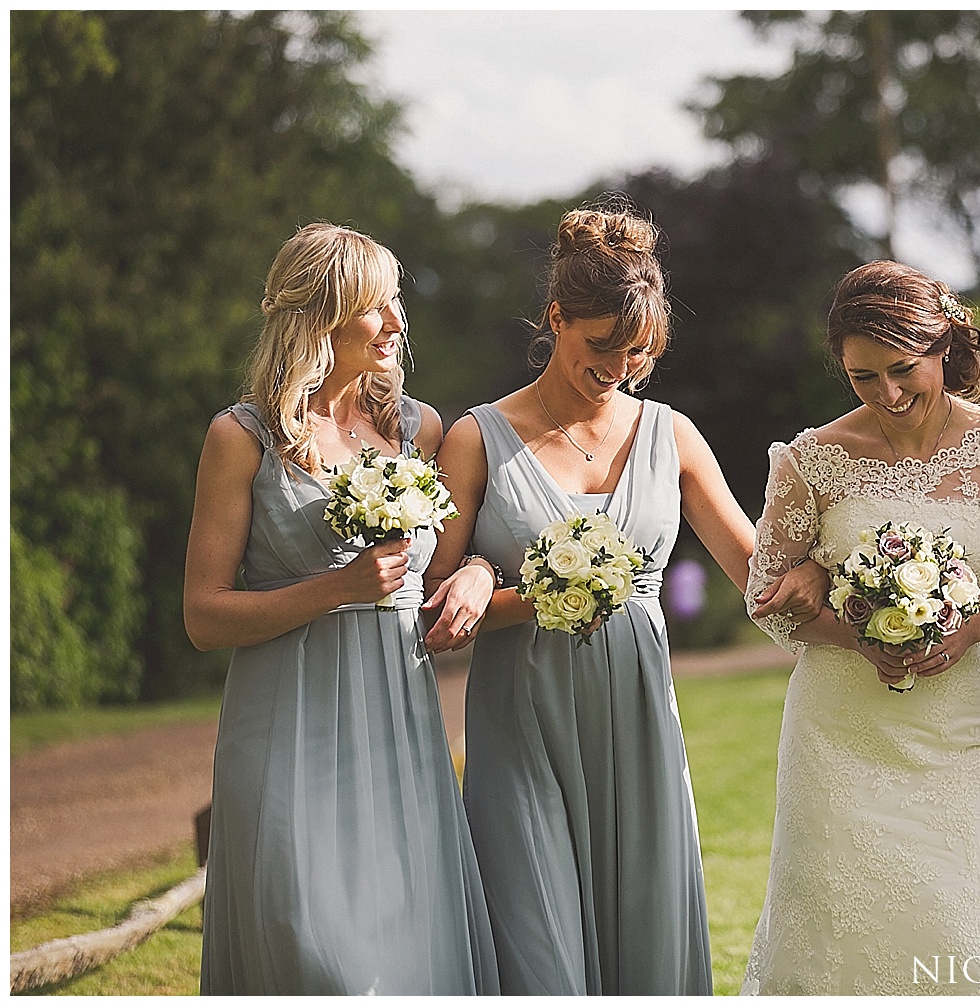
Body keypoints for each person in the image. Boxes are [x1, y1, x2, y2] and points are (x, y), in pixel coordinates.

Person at [420, 203, 821, 995]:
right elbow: (431, 608)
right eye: (601, 346)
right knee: (536, 943)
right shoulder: (475, 439)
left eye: (639, 351)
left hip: (638, 722)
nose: (619, 368)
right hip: (523, 726)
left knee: (647, 941)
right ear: (556, 317)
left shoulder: (671, 435)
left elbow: (757, 570)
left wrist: (832, 585)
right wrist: (502, 587)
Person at [739, 260, 980, 996]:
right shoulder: (811, 459)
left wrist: (971, 627)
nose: (887, 395)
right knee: (833, 925)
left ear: (944, 347)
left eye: (901, 369)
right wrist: (841, 623)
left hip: (959, 727)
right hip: (839, 728)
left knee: (970, 920)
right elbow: (766, 594)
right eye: (863, 377)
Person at [184, 222, 499, 994]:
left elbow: (466, 558)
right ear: (320, 316)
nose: (397, 322)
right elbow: (203, 616)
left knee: (403, 944)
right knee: (309, 943)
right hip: (286, 723)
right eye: (375, 306)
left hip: (397, 721)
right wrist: (337, 588)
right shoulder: (242, 437)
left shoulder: (418, 429)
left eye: (396, 303)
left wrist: (480, 576)